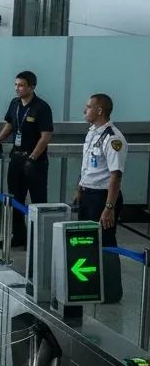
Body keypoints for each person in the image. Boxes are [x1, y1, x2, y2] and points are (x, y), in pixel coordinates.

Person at [0, 70, 54, 249]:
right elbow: (10, 125)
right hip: (16, 158)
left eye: (21, 85)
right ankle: (18, 236)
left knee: (37, 201)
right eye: (16, 85)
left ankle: (38, 240)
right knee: (15, 200)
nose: (17, 89)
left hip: (35, 162)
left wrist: (33, 157)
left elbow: (45, 136)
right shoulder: (15, 104)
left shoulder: (41, 107)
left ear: (32, 87)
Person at [74, 93, 127, 304]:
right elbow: (87, 164)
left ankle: (111, 292)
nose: (84, 110)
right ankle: (89, 285)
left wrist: (109, 207)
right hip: (89, 193)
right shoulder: (93, 133)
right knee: (86, 242)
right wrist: (79, 188)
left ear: (99, 110)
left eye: (87, 107)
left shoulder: (113, 138)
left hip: (103, 197)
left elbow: (116, 175)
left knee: (105, 242)